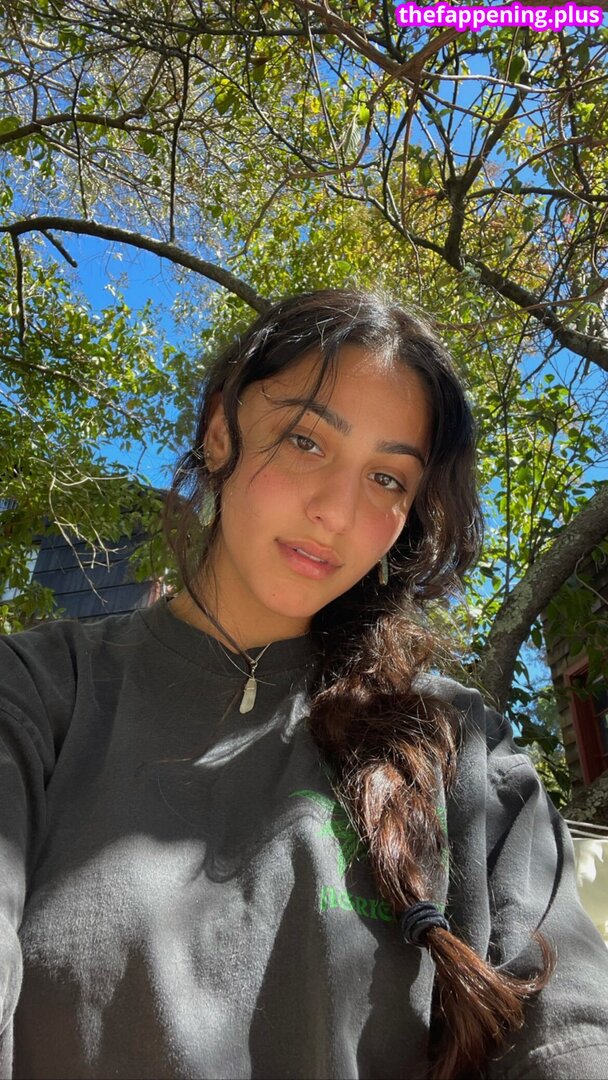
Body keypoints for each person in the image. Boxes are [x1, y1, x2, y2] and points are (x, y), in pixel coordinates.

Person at [1, 288, 607, 1080]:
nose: (336, 511)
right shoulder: (38, 693)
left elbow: (571, 1029)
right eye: (306, 441)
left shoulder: (464, 750)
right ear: (221, 430)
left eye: (387, 479)